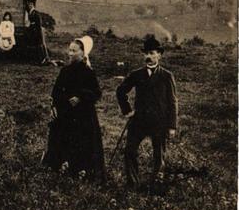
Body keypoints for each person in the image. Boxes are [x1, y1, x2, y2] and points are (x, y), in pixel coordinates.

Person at [116, 35, 178, 191]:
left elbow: (173, 102)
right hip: (139, 120)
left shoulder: (166, 76)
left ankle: (155, 185)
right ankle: (133, 184)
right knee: (129, 151)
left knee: (159, 156)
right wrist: (128, 111)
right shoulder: (136, 74)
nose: (148, 56)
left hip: (160, 121)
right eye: (146, 53)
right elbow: (120, 91)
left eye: (152, 53)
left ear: (159, 54)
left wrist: (172, 126)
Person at [42, 36, 106, 183]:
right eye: (69, 50)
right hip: (65, 114)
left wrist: (81, 97)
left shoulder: (88, 72)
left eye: (74, 51)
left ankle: (80, 171)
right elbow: (56, 92)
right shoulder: (65, 70)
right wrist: (53, 107)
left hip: (83, 116)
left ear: (83, 53)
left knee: (81, 142)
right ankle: (60, 168)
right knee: (61, 139)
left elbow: (96, 93)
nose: (70, 54)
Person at [25, 0, 49, 64]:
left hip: (37, 31)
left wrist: (37, 31)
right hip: (32, 30)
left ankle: (42, 59)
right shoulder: (30, 13)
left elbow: (38, 23)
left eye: (31, 4)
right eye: (29, 4)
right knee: (34, 45)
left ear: (33, 5)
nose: (30, 5)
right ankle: (37, 59)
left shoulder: (36, 13)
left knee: (39, 45)